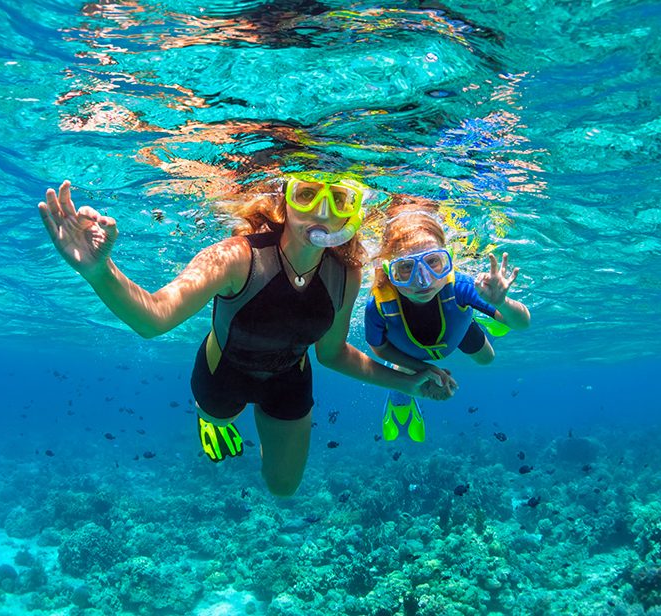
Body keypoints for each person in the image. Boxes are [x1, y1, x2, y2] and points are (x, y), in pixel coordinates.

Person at [37, 173, 455, 496]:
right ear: (284, 202)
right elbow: (154, 318)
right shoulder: (237, 256)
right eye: (307, 194)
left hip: (290, 379)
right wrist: (98, 271)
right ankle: (210, 418)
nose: (323, 212)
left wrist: (409, 382)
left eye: (339, 199)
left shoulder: (347, 273)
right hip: (223, 373)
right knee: (219, 417)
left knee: (283, 488)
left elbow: (331, 354)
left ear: (351, 212)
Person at [364, 198, 531, 442]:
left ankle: (485, 314)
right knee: (408, 369)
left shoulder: (460, 286)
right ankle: (401, 392)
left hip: (457, 329)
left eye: (433, 262)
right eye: (406, 268)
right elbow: (378, 348)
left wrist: (500, 303)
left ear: (449, 260)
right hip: (408, 352)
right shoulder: (379, 305)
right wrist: (425, 369)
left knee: (487, 359)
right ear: (390, 271)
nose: (422, 281)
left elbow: (522, 323)